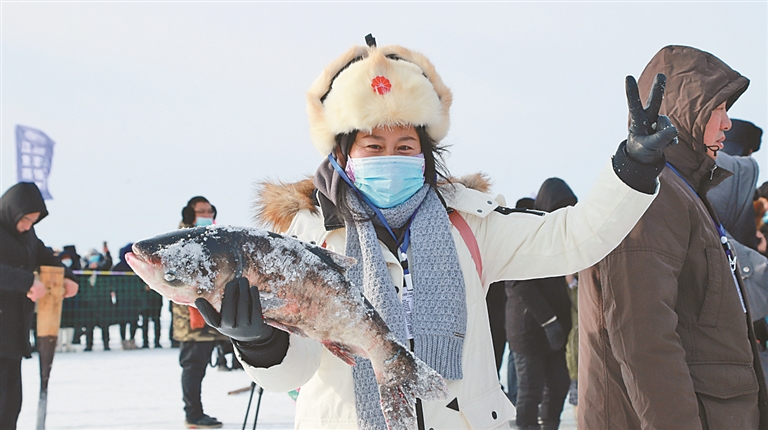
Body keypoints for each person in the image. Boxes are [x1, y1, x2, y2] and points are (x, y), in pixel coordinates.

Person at [195, 36, 676, 429]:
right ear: (342, 157)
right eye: (373, 144)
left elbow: (574, 238)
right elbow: (295, 371)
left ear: (425, 155)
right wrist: (260, 342)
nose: (392, 155)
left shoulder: (470, 223)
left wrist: (632, 167)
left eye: (405, 144)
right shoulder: (307, 241)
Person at [579, 45, 768, 429]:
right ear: (684, 113)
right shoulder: (654, 195)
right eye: (718, 110)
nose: (728, 124)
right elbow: (645, 340)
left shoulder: (685, 191)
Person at [0, 182, 79, 430]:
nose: (28, 226)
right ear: (12, 210)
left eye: (33, 222)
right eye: (25, 220)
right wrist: (27, 282)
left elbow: (45, 255)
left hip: (12, 331)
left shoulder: (27, 235)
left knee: (10, 401)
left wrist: (68, 277)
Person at [505, 178, 576, 429]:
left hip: (557, 328)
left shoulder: (562, 237)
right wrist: (549, 321)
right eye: (560, 208)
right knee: (530, 393)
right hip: (528, 329)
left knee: (558, 386)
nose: (564, 214)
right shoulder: (526, 233)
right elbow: (519, 283)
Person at [172, 196, 225, 429]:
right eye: (201, 211)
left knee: (202, 366)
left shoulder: (214, 237)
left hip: (213, 314)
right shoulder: (178, 240)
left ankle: (196, 413)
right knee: (193, 367)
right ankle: (193, 414)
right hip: (191, 317)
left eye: (209, 211)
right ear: (189, 214)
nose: (206, 215)